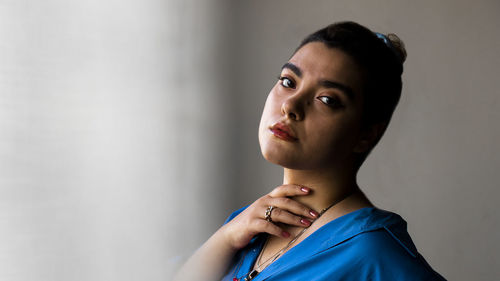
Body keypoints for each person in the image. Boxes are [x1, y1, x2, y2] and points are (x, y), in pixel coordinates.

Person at [173, 21, 446, 281]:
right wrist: (227, 237)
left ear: (366, 134)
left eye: (327, 99)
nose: (290, 105)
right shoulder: (247, 227)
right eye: (288, 82)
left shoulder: (373, 254)